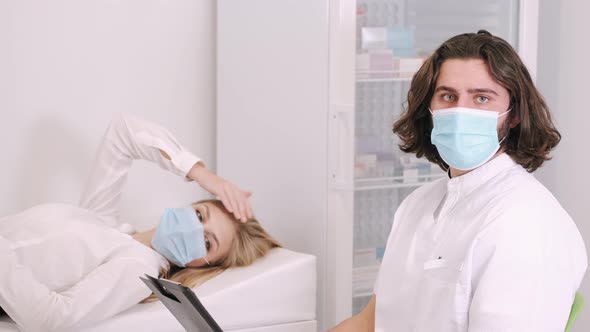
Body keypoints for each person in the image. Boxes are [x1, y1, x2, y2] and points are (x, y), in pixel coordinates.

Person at [331, 30, 587, 331]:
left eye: (481, 98)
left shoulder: (526, 223)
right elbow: (371, 321)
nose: (460, 111)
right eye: (448, 96)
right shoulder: (417, 205)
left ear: (514, 115)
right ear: (429, 108)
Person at [0, 113, 280, 332]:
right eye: (200, 215)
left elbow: (50, 320)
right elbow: (124, 132)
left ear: (204, 265)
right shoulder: (106, 224)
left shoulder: (139, 267)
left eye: (207, 242)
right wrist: (205, 176)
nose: (193, 229)